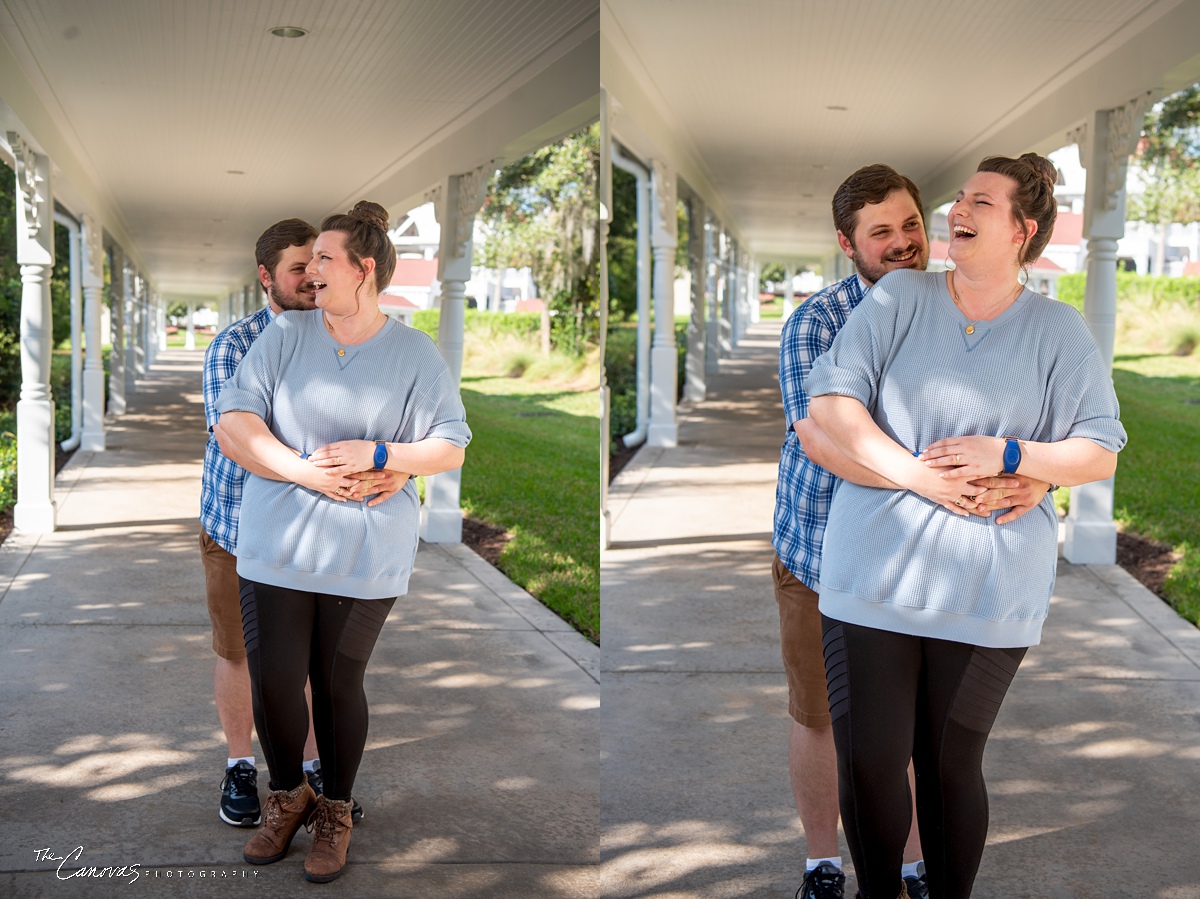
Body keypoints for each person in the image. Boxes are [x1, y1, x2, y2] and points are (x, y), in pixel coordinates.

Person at [804, 153, 1126, 898]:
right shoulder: (899, 300)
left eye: (981, 201)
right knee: (871, 759)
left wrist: (1014, 453)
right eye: (960, 197)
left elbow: (1098, 449)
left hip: (989, 588)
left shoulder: (1058, 329)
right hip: (871, 575)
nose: (959, 209)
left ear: (1023, 228)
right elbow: (831, 406)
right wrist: (921, 475)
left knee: (950, 763)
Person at [773, 164, 1048, 899]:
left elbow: (1023, 415)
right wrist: (926, 479)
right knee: (829, 722)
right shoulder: (817, 322)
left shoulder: (961, 305)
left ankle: (913, 866)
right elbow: (826, 441)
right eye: (880, 232)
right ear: (847, 243)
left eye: (910, 226)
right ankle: (824, 861)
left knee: (921, 740)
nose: (902, 243)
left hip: (933, 562)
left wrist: (1039, 471)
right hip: (820, 551)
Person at [214, 201, 471, 883]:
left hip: (365, 551)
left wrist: (387, 453)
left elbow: (450, 444)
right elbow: (234, 421)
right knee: (273, 682)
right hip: (277, 541)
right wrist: (307, 472)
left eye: (325, 258)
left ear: (364, 270)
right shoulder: (287, 336)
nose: (312, 270)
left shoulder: (413, 351)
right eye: (309, 261)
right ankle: (285, 795)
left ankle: (334, 811)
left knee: (334, 683)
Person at [200, 219, 391, 828]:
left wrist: (395, 469)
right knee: (241, 654)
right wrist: (325, 473)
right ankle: (240, 766)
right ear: (265, 277)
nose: (312, 278)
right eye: (296, 270)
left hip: (326, 531)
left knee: (310, 662)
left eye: (318, 266)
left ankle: (311, 773)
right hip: (237, 529)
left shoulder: (343, 336)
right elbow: (239, 441)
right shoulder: (235, 344)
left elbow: (385, 428)